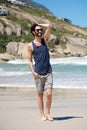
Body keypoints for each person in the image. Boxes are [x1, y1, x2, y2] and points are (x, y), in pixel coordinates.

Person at [27, 23, 53, 121]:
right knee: (40, 95)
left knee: (49, 94)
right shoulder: (30, 45)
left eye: (40, 30)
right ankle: (42, 114)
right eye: (37, 30)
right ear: (33, 32)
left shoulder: (45, 41)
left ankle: (48, 113)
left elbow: (49, 26)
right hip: (38, 74)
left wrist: (38, 24)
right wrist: (33, 72)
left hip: (48, 73)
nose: (40, 31)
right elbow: (29, 60)